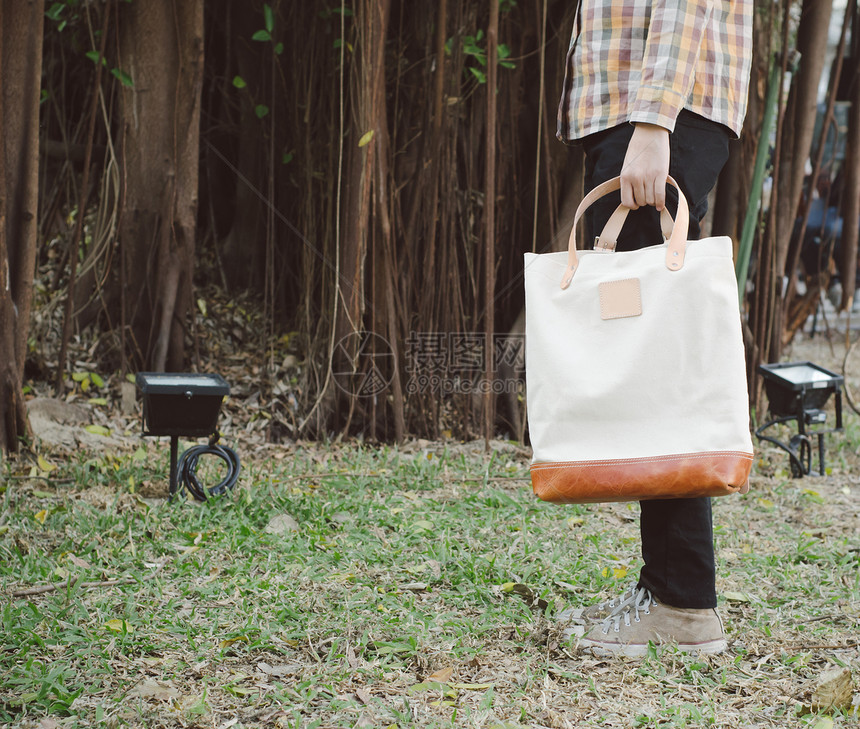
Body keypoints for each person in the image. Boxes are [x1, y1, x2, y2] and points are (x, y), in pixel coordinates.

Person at [555, 0, 753, 656]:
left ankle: (683, 602)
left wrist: (653, 119)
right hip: (650, 107)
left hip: (661, 112)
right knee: (650, 356)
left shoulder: (656, 120)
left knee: (658, 361)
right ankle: (662, 584)